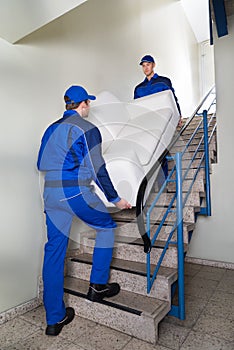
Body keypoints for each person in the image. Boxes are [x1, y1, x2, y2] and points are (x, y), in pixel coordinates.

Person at [37, 85, 132, 336]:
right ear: (83, 105)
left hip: (50, 193)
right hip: (75, 191)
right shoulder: (87, 128)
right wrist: (115, 198)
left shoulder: (50, 128)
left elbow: (40, 162)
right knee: (107, 226)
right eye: (88, 103)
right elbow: (97, 167)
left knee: (54, 250)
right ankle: (98, 285)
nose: (89, 107)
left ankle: (54, 319)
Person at [134, 54, 182, 127]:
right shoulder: (138, 88)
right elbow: (136, 108)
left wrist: (178, 115)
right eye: (143, 66)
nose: (145, 68)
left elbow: (173, 99)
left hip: (164, 119)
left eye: (148, 65)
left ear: (153, 65)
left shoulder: (164, 81)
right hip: (147, 121)